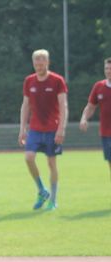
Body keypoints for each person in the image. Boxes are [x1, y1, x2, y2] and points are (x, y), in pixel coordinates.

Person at [18, 49, 68, 211]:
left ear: (47, 62)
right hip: (35, 129)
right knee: (28, 157)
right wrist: (22, 128)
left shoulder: (57, 80)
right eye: (36, 62)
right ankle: (42, 190)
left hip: (53, 129)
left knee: (51, 163)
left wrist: (61, 129)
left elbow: (63, 105)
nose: (39, 65)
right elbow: (25, 105)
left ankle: (53, 199)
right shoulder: (29, 81)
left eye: (42, 62)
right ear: (33, 63)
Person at [80, 57, 111, 178]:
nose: (108, 71)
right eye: (107, 68)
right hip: (106, 133)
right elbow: (91, 106)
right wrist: (84, 118)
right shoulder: (99, 86)